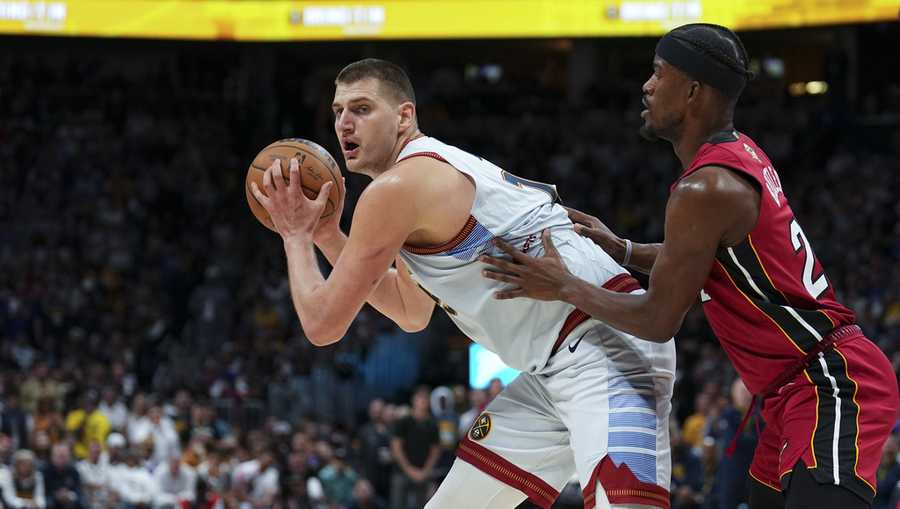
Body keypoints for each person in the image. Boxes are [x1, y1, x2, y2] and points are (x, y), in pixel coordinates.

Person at [478, 23, 899, 509]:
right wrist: (625, 250)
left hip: (830, 383)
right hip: (791, 392)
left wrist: (565, 286)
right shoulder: (739, 154)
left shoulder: (705, 189)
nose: (647, 85)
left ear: (694, 90)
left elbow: (658, 320)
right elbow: (705, 259)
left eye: (659, 73)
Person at [249, 58, 676, 508]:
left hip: (606, 351)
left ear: (404, 116)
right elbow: (410, 311)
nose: (344, 124)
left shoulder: (398, 188)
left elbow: (322, 324)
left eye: (361, 108)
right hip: (552, 370)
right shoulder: (419, 179)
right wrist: (326, 235)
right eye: (337, 111)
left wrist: (295, 235)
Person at [389, 387, 440, 509]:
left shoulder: (432, 424)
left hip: (423, 472)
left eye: (425, 398)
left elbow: (436, 450)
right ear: (414, 400)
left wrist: (425, 471)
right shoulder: (403, 421)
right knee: (397, 505)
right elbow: (396, 447)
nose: (422, 401)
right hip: (402, 472)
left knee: (422, 505)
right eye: (420, 398)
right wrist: (409, 469)